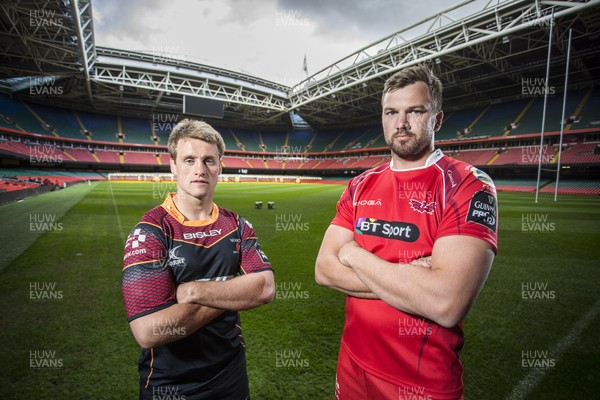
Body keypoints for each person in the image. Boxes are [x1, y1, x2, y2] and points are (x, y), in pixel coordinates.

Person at [315, 64, 498, 400]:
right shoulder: (360, 185)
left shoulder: (468, 185)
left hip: (423, 382)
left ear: (437, 119)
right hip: (352, 365)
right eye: (391, 112)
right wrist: (413, 284)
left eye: (415, 111)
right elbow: (324, 270)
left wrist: (353, 254)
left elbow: (445, 302)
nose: (401, 123)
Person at [122, 119, 275, 400]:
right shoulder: (150, 231)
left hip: (231, 372)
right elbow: (149, 330)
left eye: (209, 161)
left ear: (220, 166)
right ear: (173, 166)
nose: (199, 170)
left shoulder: (237, 225)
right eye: (189, 160)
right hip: (171, 384)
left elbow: (264, 288)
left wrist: (194, 291)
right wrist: (233, 291)